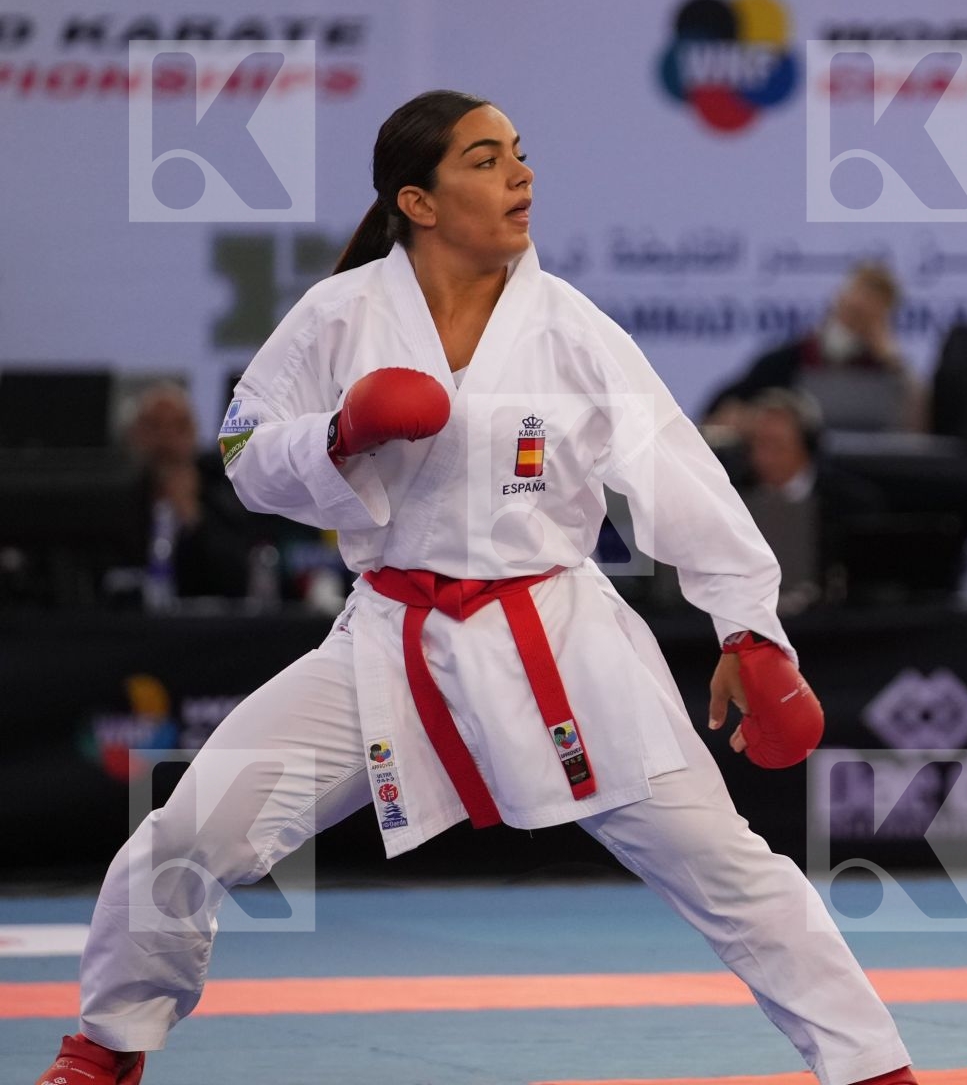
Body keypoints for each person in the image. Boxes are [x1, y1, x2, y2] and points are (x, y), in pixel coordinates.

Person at [36, 91, 916, 1085]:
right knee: (188, 833)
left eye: (521, 155)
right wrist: (334, 436)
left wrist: (750, 632)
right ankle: (105, 1047)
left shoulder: (571, 328)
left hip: (558, 635)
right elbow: (241, 450)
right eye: (488, 160)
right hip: (388, 637)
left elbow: (682, 480)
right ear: (417, 198)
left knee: (733, 872)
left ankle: (876, 1070)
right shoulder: (340, 316)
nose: (521, 176)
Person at [705, 262, 920, 433]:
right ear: (838, 301)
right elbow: (722, 410)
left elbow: (919, 427)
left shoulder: (890, 375)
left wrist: (893, 362)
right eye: (851, 312)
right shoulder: (786, 361)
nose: (851, 327)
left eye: (864, 320)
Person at [738, 387, 883, 612]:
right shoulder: (734, 496)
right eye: (757, 445)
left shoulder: (850, 501)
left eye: (776, 446)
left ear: (807, 444)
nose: (762, 458)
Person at [121, 382, 254, 601]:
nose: (167, 438)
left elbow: (237, 580)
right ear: (135, 435)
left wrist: (191, 514)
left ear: (194, 434)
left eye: (179, 427)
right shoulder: (122, 498)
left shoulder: (225, 493)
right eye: (154, 426)